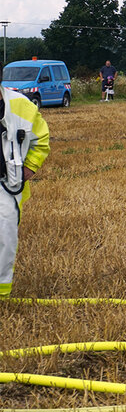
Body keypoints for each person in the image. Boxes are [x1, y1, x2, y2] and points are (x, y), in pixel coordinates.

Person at [0, 86, 50, 299]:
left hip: (5, 186)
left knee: (5, 234)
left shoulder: (21, 106)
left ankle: (2, 292)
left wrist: (29, 167)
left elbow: (41, 140)